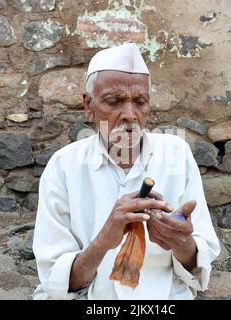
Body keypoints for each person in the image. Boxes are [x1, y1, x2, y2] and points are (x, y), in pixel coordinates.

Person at [32, 43, 220, 300]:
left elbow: (198, 265)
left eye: (140, 102)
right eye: (114, 101)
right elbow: (59, 281)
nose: (129, 115)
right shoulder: (64, 165)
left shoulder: (177, 154)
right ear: (88, 105)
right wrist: (103, 242)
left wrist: (180, 242)